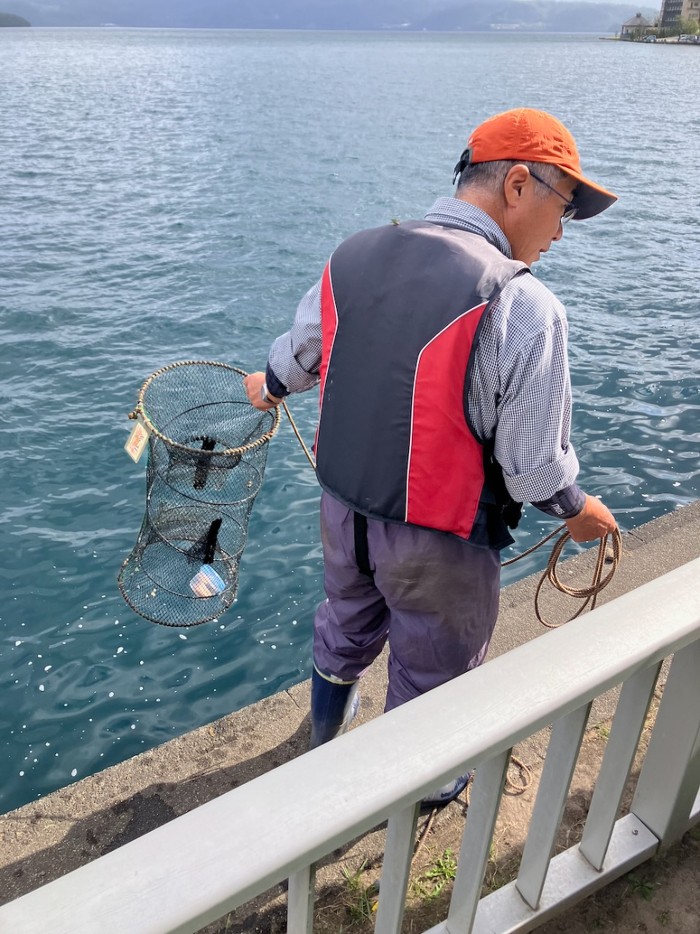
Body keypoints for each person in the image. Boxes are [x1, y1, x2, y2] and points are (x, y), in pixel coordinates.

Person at [244, 108, 618, 806]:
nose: (562, 231)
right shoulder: (524, 304)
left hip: (343, 512)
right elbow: (533, 467)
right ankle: (429, 797)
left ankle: (324, 745)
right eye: (565, 206)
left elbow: (300, 356)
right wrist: (577, 510)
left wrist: (267, 386)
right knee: (434, 674)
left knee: (343, 625)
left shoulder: (351, 256)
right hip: (437, 540)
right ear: (517, 185)